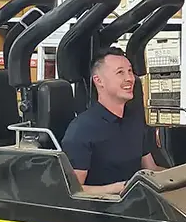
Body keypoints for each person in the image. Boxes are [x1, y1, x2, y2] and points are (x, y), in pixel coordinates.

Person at [62, 46, 163, 194]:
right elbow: (73, 191)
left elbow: (151, 169)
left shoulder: (134, 120)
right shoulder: (82, 129)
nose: (129, 78)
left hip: (140, 203)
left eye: (130, 71)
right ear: (99, 81)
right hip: (103, 211)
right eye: (120, 72)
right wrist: (120, 188)